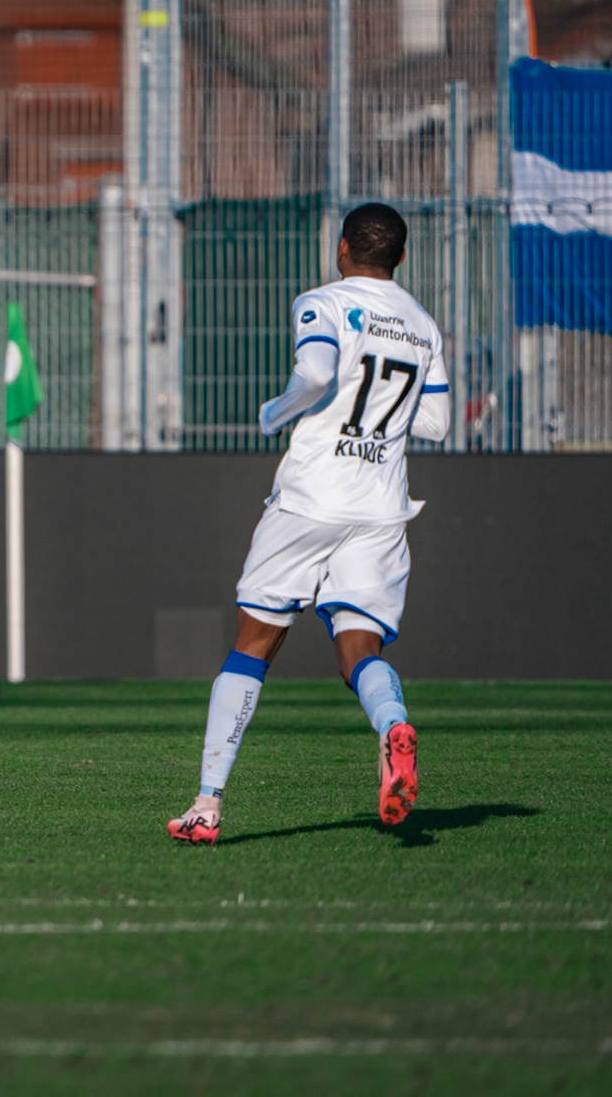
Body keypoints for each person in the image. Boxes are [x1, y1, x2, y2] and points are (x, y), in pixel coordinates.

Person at [167, 203, 450, 844]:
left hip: (309, 501)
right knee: (359, 650)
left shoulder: (322, 301)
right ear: (400, 258)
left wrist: (280, 409)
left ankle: (207, 805)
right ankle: (392, 728)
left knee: (253, 645)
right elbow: (435, 423)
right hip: (381, 508)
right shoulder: (424, 325)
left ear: (342, 248)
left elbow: (317, 371)